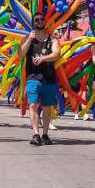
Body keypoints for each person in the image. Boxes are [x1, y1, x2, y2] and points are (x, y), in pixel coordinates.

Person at [19, 12, 61, 146]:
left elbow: (56, 54)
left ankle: (45, 134)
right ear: (33, 22)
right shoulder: (27, 38)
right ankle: (36, 134)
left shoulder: (52, 40)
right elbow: (20, 54)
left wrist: (43, 59)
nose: (39, 21)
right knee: (33, 104)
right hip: (32, 77)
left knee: (47, 107)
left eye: (42, 19)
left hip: (48, 77)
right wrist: (30, 39)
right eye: (37, 20)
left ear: (45, 21)